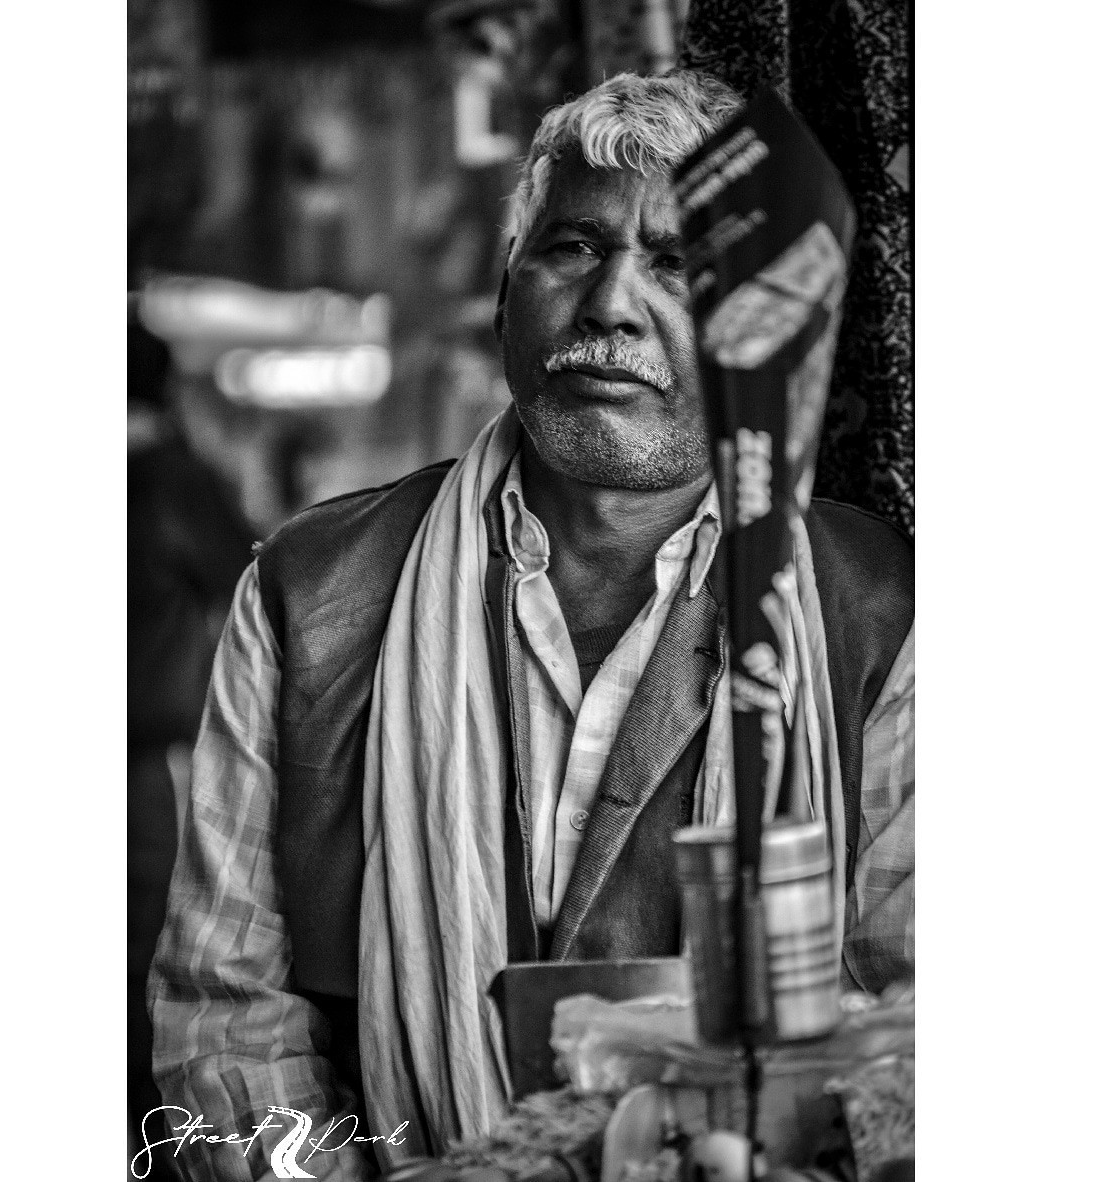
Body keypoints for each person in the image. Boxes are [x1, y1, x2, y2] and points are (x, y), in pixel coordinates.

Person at [148, 69, 913, 1182]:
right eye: (574, 247)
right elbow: (227, 1017)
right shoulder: (311, 591)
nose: (612, 304)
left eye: (681, 265)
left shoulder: (881, 612)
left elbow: (918, 1023)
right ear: (507, 295)